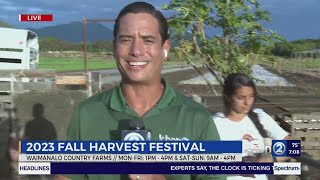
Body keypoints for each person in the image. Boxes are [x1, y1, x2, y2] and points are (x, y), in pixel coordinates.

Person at [59, 2, 225, 180]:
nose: (136, 51)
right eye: (126, 40)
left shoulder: (196, 119)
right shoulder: (86, 114)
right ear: (115, 47)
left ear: (165, 48)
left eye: (148, 40)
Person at [212, 73, 291, 180]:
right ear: (228, 97)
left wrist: (272, 158)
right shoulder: (215, 124)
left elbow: (292, 144)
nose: (247, 102)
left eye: (251, 96)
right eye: (241, 97)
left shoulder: (260, 117)